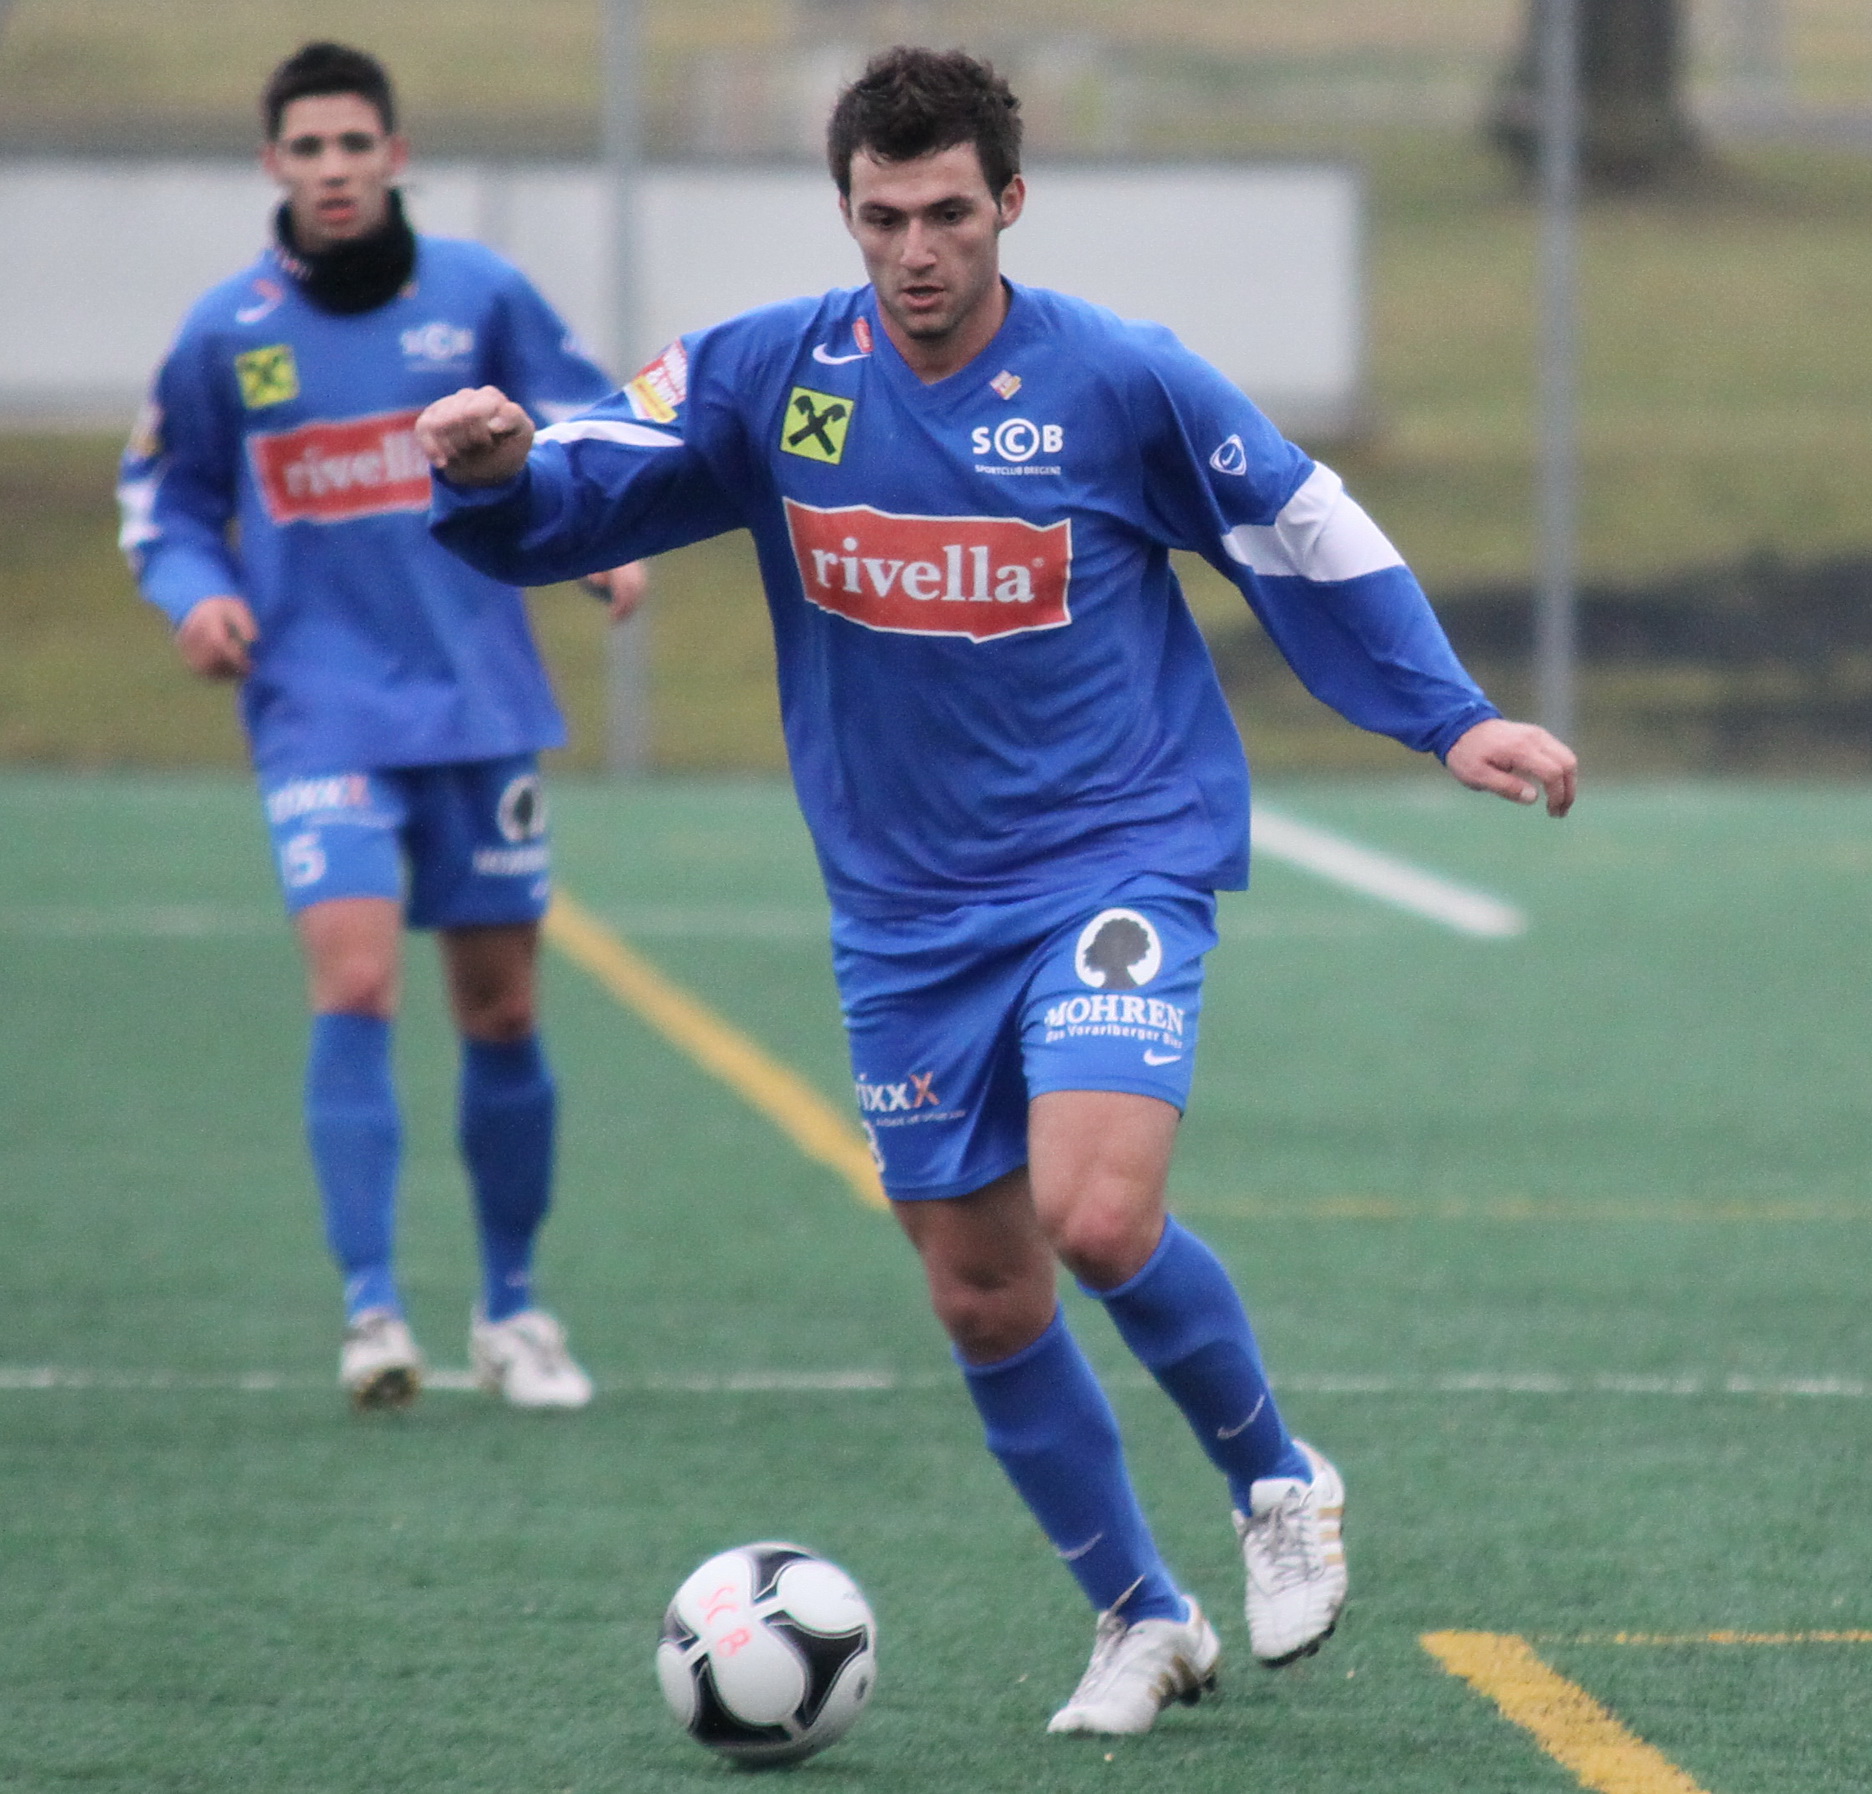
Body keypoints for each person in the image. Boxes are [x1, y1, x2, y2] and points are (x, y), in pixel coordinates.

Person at [415, 48, 1577, 1738]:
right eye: (883, 216)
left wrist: (1449, 712)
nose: (917, 249)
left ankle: (1275, 1475)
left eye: (949, 212)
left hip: (1115, 849)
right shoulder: (767, 373)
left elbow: (1302, 525)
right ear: (846, 212)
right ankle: (1141, 1611)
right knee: (980, 1287)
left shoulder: (1120, 378)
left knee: (1094, 1215)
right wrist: (489, 472)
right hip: (901, 909)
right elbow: (588, 472)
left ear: (1010, 203)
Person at [118, 42, 645, 1413]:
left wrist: (601, 537)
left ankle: (513, 1310)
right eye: (309, 148)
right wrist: (195, 593)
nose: (334, 168)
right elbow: (164, 496)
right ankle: (371, 1311)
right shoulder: (226, 333)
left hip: (478, 705)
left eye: (355, 143)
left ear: (395, 155)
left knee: (504, 1007)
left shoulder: (480, 295)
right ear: (273, 165)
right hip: (320, 713)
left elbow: (581, 422)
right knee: (354, 984)